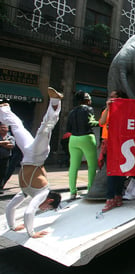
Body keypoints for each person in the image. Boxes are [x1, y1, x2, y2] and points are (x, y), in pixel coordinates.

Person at [3, 87, 63, 238]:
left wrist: (13, 226)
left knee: (17, 127)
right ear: (49, 200)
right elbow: (29, 211)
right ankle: (55, 101)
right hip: (37, 156)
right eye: (46, 208)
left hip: (27, 154)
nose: (43, 209)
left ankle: (4, 109)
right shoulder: (42, 193)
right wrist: (32, 233)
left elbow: (10, 207)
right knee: (45, 128)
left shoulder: (26, 192)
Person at [99, 90, 129, 212]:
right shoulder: (107, 109)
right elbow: (101, 122)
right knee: (111, 171)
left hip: (121, 143)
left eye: (114, 97)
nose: (111, 99)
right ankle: (110, 198)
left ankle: (117, 196)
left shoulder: (126, 111)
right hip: (109, 143)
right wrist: (107, 108)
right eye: (110, 97)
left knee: (121, 171)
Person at [66, 91, 99, 199]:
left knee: (73, 166)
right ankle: (90, 189)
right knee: (92, 165)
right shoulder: (88, 109)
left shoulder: (71, 112)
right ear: (85, 99)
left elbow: (68, 129)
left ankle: (72, 192)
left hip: (73, 139)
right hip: (87, 137)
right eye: (89, 97)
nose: (91, 99)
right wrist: (102, 123)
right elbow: (91, 122)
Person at [0, 122, 15, 191]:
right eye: (1, 127)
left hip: (5, 158)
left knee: (3, 173)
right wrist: (5, 143)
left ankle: (0, 188)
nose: (2, 129)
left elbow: (11, 146)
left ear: (7, 129)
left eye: (4, 128)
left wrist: (1, 143)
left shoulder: (10, 137)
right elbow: (8, 145)